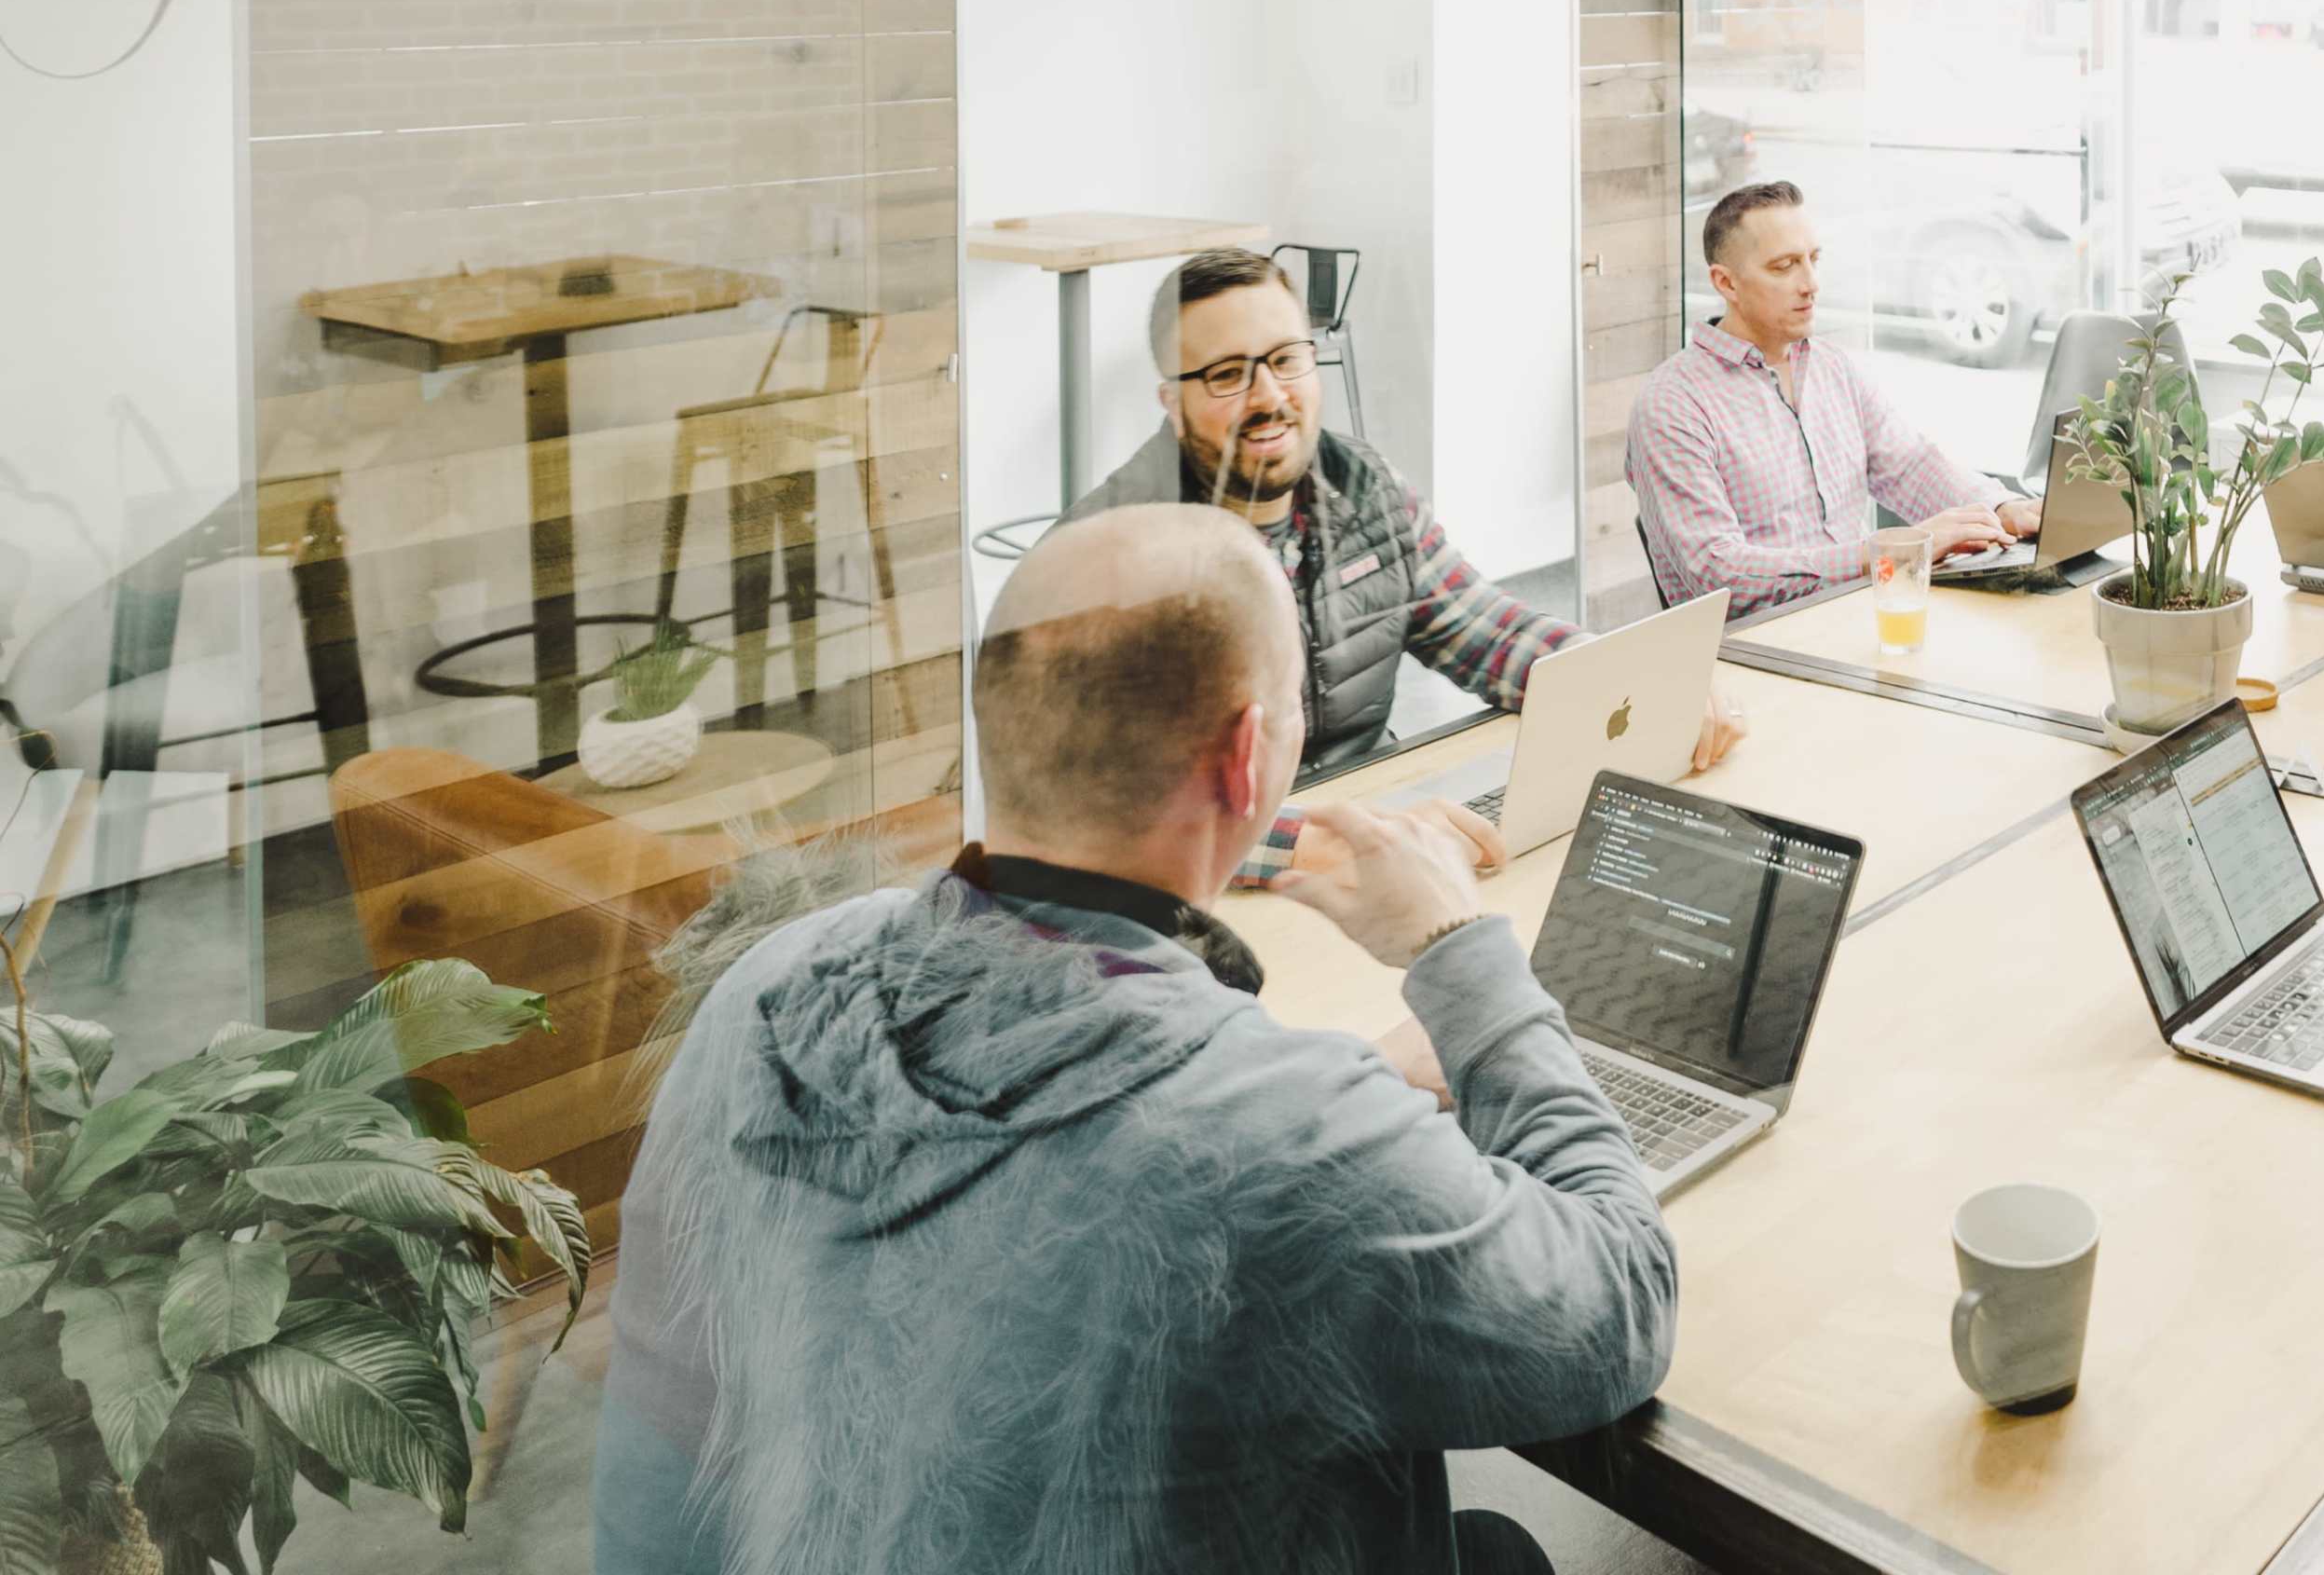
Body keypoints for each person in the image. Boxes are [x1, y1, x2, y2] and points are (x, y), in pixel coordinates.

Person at [592, 504, 1677, 1575]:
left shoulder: (773, 985)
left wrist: (1332, 1085)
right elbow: (1617, 1312)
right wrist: (1460, 949)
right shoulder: (1285, 1136)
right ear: (1249, 756)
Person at [1063, 247, 1743, 877]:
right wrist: (1315, 843)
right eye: (1226, 375)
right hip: (1199, 893)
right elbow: (1119, 804)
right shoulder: (1108, 558)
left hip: (1360, 836)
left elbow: (1486, 631)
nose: (1269, 397)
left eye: (1287, 360)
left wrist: (1637, 680)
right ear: (1172, 405)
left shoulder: (1362, 487)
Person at [1627, 180, 2042, 619]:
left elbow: (1911, 465)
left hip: (1858, 618)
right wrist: (1888, 551)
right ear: (1726, 282)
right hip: (1755, 652)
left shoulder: (1832, 368)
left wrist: (2001, 510)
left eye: (1813, 260)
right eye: (1784, 266)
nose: (1810, 284)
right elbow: (1717, 574)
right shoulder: (1673, 404)